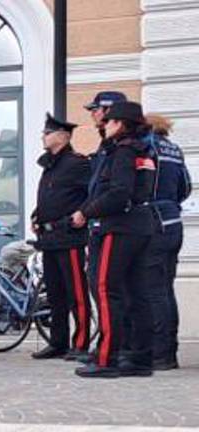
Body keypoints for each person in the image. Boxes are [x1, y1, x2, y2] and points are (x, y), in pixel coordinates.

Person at [71, 101, 158, 378]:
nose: (104, 125)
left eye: (108, 121)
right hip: (142, 226)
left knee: (107, 289)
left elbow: (119, 193)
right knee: (137, 292)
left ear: (120, 124)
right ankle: (141, 358)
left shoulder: (122, 152)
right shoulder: (145, 151)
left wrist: (85, 212)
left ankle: (107, 358)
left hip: (119, 227)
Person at [30, 114, 92, 361]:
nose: (43, 136)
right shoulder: (50, 164)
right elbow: (47, 198)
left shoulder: (77, 163)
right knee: (55, 294)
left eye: (47, 133)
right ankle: (58, 342)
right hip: (49, 238)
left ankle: (81, 343)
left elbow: (93, 192)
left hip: (69, 237)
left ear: (63, 137)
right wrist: (36, 216)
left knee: (76, 293)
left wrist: (83, 213)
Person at [142, 114, 191, 370]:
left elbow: (142, 185)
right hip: (174, 222)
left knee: (153, 289)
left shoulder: (147, 145)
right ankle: (169, 350)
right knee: (166, 288)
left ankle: (160, 353)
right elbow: (185, 188)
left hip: (154, 222)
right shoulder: (175, 149)